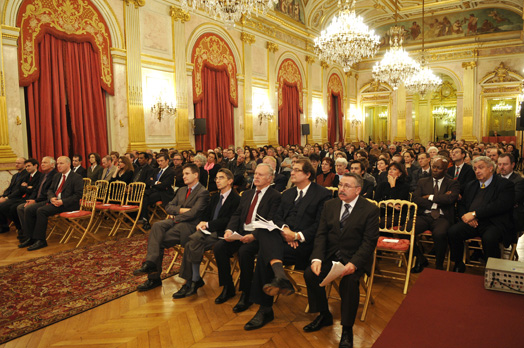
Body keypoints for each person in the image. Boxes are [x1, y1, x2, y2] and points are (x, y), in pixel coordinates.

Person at [244, 159, 332, 330]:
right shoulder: (288, 193)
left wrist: (297, 236)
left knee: (265, 254)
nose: (292, 172)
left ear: (308, 174)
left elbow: (321, 225)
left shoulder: (322, 194)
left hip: (306, 246)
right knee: (264, 232)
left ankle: (266, 308)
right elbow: (277, 217)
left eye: (297, 170)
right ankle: (278, 282)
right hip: (284, 242)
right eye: (292, 169)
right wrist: (285, 231)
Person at [304, 173, 379, 348]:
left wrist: (354, 263)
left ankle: (346, 328)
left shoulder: (369, 209)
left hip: (355, 258)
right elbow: (321, 234)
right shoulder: (330, 205)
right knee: (310, 274)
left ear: (358, 190)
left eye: (347, 186)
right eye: (340, 185)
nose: (342, 189)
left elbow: (369, 242)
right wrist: (317, 258)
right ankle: (324, 314)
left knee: (350, 282)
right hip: (331, 256)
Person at [212, 163, 281, 311]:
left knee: (245, 252)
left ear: (270, 178)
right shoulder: (247, 194)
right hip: (241, 233)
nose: (255, 177)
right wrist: (229, 230)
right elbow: (237, 214)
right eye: (255, 173)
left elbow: (271, 221)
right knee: (219, 247)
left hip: (260, 236)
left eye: (260, 175)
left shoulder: (274, 196)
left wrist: (253, 236)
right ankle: (228, 286)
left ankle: (246, 292)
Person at [133, 163, 210, 292]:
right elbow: (168, 207)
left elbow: (194, 213)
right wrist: (182, 210)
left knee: (158, 242)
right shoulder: (181, 190)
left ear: (196, 175)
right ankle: (152, 268)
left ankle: (159, 278)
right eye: (183, 174)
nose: (183, 176)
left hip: (190, 226)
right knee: (157, 226)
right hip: (177, 223)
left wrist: (176, 216)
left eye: (187, 174)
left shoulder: (203, 192)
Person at [173, 169, 240, 299]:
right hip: (209, 231)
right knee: (191, 242)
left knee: (192, 242)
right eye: (216, 178)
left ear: (230, 181)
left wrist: (208, 224)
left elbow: (229, 220)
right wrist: (202, 222)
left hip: (222, 233)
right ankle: (193, 280)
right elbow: (206, 214)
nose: (217, 180)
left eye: (221, 178)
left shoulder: (236, 199)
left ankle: (193, 281)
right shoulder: (215, 197)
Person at [448, 156, 516, 273]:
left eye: (481, 168)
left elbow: (500, 205)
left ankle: (492, 270)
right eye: (475, 169)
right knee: (453, 231)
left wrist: (474, 214)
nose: (477, 171)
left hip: (493, 223)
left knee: (489, 238)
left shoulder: (505, 184)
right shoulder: (471, 185)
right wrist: (466, 217)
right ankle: (458, 263)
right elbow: (462, 204)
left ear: (491, 168)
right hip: (473, 222)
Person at [19, 156, 83, 251]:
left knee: (41, 211)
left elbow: (78, 195)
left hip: (67, 204)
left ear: (68, 164)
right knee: (29, 209)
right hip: (54, 201)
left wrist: (62, 201)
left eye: (61, 163)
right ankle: (30, 237)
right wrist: (52, 197)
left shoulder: (76, 177)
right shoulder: (57, 176)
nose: (59, 166)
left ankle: (41, 240)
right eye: (58, 164)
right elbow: (50, 190)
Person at [411, 156, 460, 272]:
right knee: (406, 230)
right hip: (425, 215)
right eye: (434, 167)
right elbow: (416, 199)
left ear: (445, 170)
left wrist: (430, 197)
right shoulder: (422, 181)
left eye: (439, 168)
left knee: (439, 234)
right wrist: (438, 201)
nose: (435, 170)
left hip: (443, 217)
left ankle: (439, 265)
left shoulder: (453, 183)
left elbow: (450, 199)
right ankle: (420, 258)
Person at [16, 157, 57, 241]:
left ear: (52, 165)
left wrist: (35, 201)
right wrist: (31, 199)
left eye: (45, 162)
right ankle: (27, 232)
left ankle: (30, 235)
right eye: (42, 162)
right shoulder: (43, 175)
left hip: (45, 200)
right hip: (38, 199)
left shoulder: (55, 176)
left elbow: (48, 193)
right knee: (20, 207)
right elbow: (36, 190)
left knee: (28, 208)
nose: (42, 164)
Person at [0, 158, 40, 235]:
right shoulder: (15, 175)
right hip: (14, 195)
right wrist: (4, 195)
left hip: (18, 197)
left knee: (7, 207)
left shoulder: (26, 174)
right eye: (16, 163)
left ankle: (17, 227)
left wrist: (6, 198)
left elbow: (20, 190)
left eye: (19, 163)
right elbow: (10, 188)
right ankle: (13, 226)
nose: (16, 165)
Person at [140, 153, 176, 230]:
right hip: (154, 191)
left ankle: (145, 219)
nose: (160, 163)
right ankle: (145, 220)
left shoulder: (170, 171)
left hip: (164, 193)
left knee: (144, 198)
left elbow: (164, 185)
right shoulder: (156, 170)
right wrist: (156, 182)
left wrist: (153, 182)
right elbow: (147, 181)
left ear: (167, 161)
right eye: (158, 161)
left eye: (161, 161)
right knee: (143, 196)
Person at [497, 153, 524, 230]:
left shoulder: (519, 181)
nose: (501, 167)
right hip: (495, 213)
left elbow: (512, 200)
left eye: (505, 164)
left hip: (512, 215)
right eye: (499, 164)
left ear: (513, 165)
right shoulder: (494, 178)